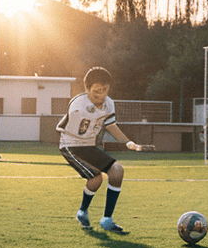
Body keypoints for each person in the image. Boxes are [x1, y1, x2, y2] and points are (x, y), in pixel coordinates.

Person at [57, 67, 151, 233]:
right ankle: (82, 211)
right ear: (87, 89)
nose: (101, 95)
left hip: (88, 145)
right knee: (96, 178)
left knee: (117, 170)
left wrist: (128, 142)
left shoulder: (109, 103)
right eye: (96, 91)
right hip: (70, 145)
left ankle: (107, 219)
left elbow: (110, 125)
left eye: (105, 90)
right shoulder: (78, 105)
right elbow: (73, 130)